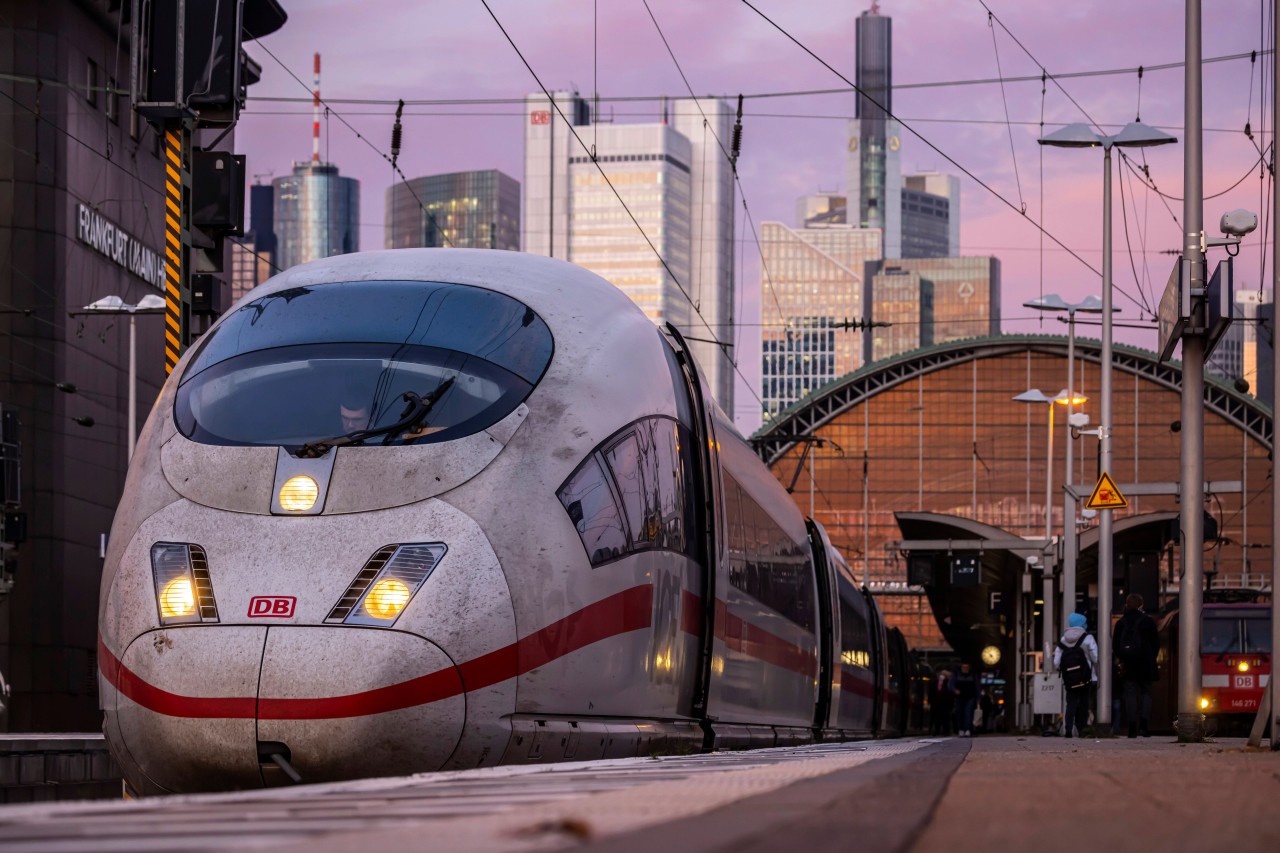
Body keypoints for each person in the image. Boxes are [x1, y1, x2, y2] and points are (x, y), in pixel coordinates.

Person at [1113, 592, 1159, 737]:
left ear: (1126, 605)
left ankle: (1132, 728)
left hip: (1129, 663)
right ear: (1141, 605)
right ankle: (1144, 727)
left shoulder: (1121, 623)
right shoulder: (1148, 621)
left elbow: (1115, 646)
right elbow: (1156, 644)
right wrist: (1151, 657)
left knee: (1130, 695)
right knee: (1146, 693)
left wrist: (1123, 658)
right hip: (1146, 663)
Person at [1052, 612, 1099, 738]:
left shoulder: (1063, 640)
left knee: (1070, 703)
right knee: (1084, 703)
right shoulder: (1088, 638)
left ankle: (1068, 729)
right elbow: (1095, 657)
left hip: (1069, 679)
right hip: (1085, 676)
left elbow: (1056, 662)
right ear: (1083, 624)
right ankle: (1081, 728)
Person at [948, 661, 979, 737]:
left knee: (968, 713)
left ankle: (967, 729)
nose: (965, 668)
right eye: (964, 667)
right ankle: (961, 729)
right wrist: (955, 690)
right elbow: (950, 684)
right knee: (960, 713)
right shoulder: (957, 674)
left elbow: (977, 687)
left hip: (970, 697)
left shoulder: (972, 675)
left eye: (967, 667)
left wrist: (978, 698)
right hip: (959, 697)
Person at [932, 669, 954, 735]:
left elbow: (950, 693)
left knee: (946, 718)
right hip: (936, 703)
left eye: (944, 674)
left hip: (945, 703)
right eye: (941, 674)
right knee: (937, 718)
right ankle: (937, 731)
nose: (942, 675)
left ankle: (946, 731)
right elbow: (932, 692)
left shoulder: (948, 683)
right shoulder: (935, 682)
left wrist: (950, 704)